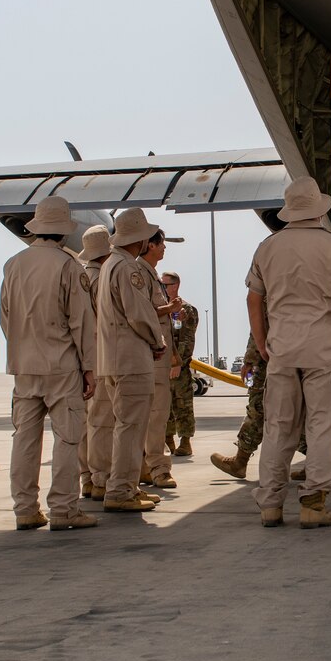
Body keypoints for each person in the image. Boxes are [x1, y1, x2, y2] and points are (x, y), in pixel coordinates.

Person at [247, 176, 331, 528]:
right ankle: (313, 502)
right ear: (318, 208)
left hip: (282, 350)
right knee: (322, 425)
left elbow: (254, 298)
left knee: (278, 426)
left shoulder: (267, 247)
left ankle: (270, 504)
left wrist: (263, 342)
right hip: (323, 349)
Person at [0, 195, 97, 531]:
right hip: (61, 365)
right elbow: (81, 323)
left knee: (24, 439)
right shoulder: (69, 266)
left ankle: (25, 509)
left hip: (23, 366)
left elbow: (5, 317)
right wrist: (89, 368)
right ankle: (63, 509)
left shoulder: (13, 264)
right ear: (63, 231)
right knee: (67, 439)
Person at [96, 209, 171, 513]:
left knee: (124, 426)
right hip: (131, 358)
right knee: (131, 427)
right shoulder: (129, 269)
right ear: (139, 238)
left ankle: (126, 486)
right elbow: (139, 312)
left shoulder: (110, 265)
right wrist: (157, 340)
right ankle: (121, 491)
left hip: (113, 359)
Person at [79, 225, 115, 501]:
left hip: (81, 358)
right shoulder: (101, 278)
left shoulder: (81, 275)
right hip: (101, 356)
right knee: (102, 420)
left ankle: (88, 479)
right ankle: (101, 478)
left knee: (86, 422)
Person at [139, 237, 177, 492]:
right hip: (152, 356)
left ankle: (144, 465)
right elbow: (143, 312)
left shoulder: (149, 274)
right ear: (150, 245)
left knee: (152, 415)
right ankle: (158, 468)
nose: (164, 248)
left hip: (159, 354)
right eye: (161, 243)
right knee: (156, 415)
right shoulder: (140, 273)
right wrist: (168, 308)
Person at [209, 332, 266, 479]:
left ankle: (240, 462)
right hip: (307, 356)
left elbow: (261, 325)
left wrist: (249, 361)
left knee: (258, 409)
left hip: (271, 359)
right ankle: (315, 463)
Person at [162, 272, 200, 458]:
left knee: (182, 404)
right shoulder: (163, 308)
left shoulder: (187, 310)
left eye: (165, 285)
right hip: (161, 365)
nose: (163, 288)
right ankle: (168, 441)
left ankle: (185, 442)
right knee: (164, 406)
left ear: (175, 285)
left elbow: (186, 339)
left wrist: (178, 362)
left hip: (179, 366)